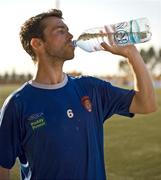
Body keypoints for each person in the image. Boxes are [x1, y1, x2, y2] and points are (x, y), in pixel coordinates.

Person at [0, 9, 157, 180]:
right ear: (37, 44)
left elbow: (146, 104)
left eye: (68, 30)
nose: (70, 35)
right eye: (60, 31)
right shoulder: (18, 104)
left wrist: (131, 54)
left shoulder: (91, 88)